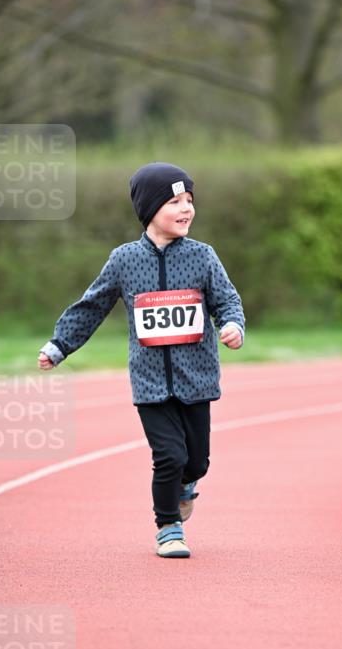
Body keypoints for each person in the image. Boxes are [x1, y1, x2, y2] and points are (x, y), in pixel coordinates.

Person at [38, 161, 245, 559]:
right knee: (168, 456)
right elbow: (92, 306)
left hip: (196, 378)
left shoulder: (203, 257)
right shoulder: (124, 260)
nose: (186, 209)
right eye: (174, 202)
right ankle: (168, 526)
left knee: (196, 461)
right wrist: (59, 345)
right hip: (150, 382)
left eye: (189, 200)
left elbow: (227, 299)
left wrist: (233, 324)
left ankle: (186, 486)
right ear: (150, 210)